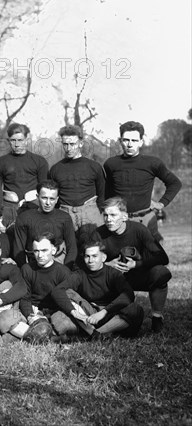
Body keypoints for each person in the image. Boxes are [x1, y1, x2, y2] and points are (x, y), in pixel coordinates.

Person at [95, 197, 171, 332]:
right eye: (105, 215)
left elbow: (162, 257)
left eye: (113, 215)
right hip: (114, 279)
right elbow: (85, 261)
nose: (108, 219)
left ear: (124, 217)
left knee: (161, 273)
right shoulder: (99, 233)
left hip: (138, 275)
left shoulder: (139, 229)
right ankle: (106, 313)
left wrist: (136, 264)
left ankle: (157, 317)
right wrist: (106, 264)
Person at [104, 121, 181, 241]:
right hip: (120, 220)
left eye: (134, 140)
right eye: (126, 140)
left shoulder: (152, 163)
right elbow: (107, 192)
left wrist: (161, 203)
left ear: (141, 142)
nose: (129, 144)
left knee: (150, 256)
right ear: (120, 141)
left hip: (145, 219)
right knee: (122, 256)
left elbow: (175, 183)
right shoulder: (111, 164)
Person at [51, 240, 144, 340]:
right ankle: (96, 334)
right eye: (87, 256)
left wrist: (104, 312)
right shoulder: (80, 274)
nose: (90, 260)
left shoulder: (113, 273)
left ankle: (94, 335)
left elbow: (128, 294)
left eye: (95, 256)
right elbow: (57, 291)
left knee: (135, 309)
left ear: (103, 258)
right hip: (88, 316)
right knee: (61, 316)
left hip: (111, 314)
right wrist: (74, 313)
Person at [0, 233, 76, 342]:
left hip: (55, 312)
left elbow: (66, 299)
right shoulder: (27, 269)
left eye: (44, 250)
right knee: (4, 320)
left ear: (53, 250)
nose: (40, 255)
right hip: (33, 310)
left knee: (67, 326)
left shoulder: (63, 272)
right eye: (36, 251)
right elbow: (25, 296)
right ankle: (48, 338)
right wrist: (30, 316)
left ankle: (34, 337)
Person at [49, 125, 105, 230]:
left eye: (72, 144)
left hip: (90, 213)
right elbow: (53, 198)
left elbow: (102, 195)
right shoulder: (55, 169)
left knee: (94, 244)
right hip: (65, 214)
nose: (69, 148)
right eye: (65, 144)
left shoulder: (94, 167)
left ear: (81, 143)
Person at [0, 123, 49, 228]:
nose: (17, 144)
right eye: (13, 140)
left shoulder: (39, 161)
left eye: (20, 140)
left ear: (27, 140)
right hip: (8, 209)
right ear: (8, 141)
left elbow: (45, 190)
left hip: (33, 206)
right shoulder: (0, 163)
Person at [13, 180, 77, 269]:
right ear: (37, 197)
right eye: (44, 198)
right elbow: (18, 250)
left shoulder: (64, 217)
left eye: (52, 199)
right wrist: (26, 271)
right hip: (33, 263)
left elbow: (72, 248)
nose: (48, 203)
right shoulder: (24, 218)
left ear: (57, 199)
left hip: (58, 262)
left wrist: (66, 270)